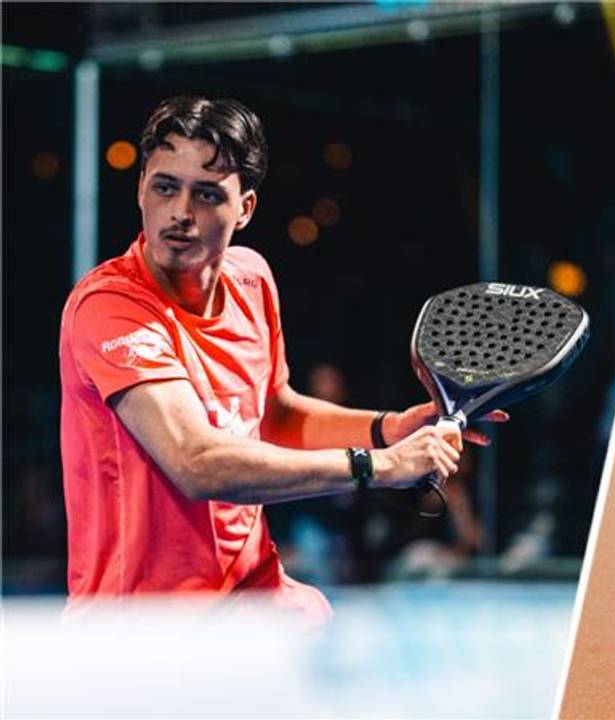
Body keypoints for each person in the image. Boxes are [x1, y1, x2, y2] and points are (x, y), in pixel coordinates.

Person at [58, 96, 502, 624]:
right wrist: (376, 467)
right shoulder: (111, 307)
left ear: (244, 208)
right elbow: (195, 464)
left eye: (205, 194)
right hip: (144, 625)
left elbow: (274, 414)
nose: (180, 213)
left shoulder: (251, 280)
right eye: (164, 187)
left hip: (255, 597)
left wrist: (388, 429)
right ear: (141, 190)